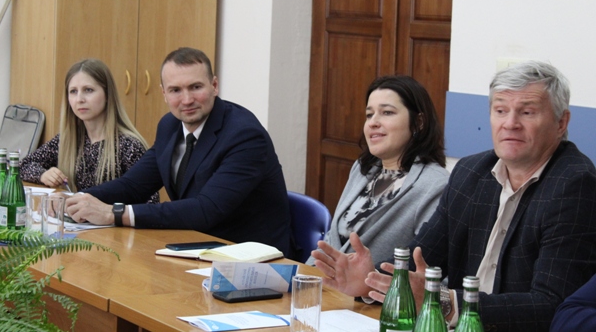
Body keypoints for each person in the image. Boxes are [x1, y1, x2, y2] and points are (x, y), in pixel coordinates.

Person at [312, 60, 596, 332]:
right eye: (500, 110)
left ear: (561, 122)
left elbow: (552, 306)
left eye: (527, 112)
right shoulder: (472, 172)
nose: (510, 123)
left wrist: (447, 303)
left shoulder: (575, 184)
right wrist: (371, 282)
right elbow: (422, 256)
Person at [64, 47, 292, 256]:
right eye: (175, 90)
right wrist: (75, 200)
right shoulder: (170, 126)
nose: (187, 100)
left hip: (249, 259)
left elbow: (206, 209)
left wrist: (113, 213)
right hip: (194, 247)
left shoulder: (245, 135)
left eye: (196, 87)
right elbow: (133, 185)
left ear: (214, 86)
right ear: (164, 93)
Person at [306, 75, 448, 265]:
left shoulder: (435, 184)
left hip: (374, 284)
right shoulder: (363, 168)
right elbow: (333, 238)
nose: (373, 122)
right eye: (369, 114)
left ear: (418, 122)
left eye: (387, 112)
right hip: (325, 277)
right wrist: (304, 274)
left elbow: (427, 265)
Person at [20, 58, 158, 203]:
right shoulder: (68, 140)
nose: (79, 99)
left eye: (88, 90)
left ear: (107, 95)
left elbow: (151, 202)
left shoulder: (129, 145)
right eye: (73, 91)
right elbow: (23, 165)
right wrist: (43, 175)